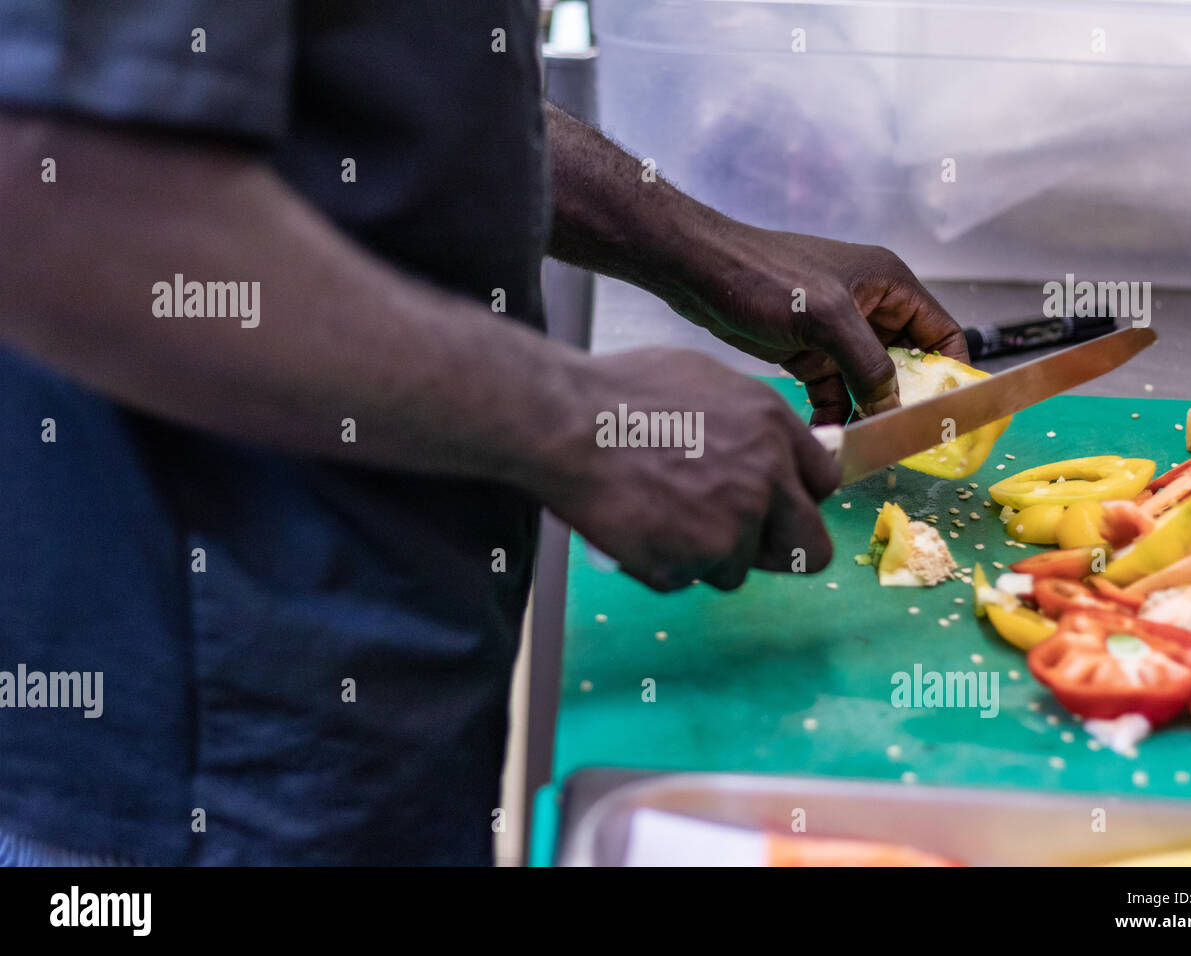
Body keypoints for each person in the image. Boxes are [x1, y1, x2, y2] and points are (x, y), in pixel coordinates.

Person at [0, 1, 966, 865]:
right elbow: (60, 196)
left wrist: (701, 249)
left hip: (365, 696)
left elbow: (382, 96)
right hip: (196, 766)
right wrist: (574, 420)